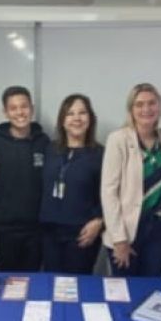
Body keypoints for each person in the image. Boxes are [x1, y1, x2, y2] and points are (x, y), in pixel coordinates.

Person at [101, 83, 161, 277]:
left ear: (159, 107)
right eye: (139, 104)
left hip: (158, 228)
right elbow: (109, 191)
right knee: (124, 290)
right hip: (127, 227)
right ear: (131, 109)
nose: (146, 109)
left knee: (151, 287)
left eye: (152, 103)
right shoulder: (118, 139)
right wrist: (119, 239)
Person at [39, 94, 103, 274]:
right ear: (62, 120)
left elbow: (112, 193)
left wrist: (100, 220)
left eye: (82, 113)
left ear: (90, 119)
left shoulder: (101, 154)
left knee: (77, 288)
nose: (76, 118)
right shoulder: (49, 149)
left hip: (83, 233)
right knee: (51, 285)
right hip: (49, 232)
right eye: (70, 113)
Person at [0, 86, 49, 271]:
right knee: (6, 284)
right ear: (5, 112)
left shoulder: (44, 141)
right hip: (4, 229)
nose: (20, 112)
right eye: (13, 108)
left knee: (33, 282)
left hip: (37, 228)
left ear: (31, 108)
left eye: (23, 106)